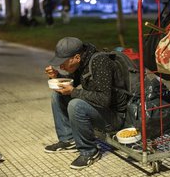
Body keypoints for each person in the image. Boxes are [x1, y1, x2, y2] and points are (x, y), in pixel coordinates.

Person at [44, 37, 127, 170]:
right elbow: (70, 83)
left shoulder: (100, 63)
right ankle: (68, 140)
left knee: (76, 105)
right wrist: (56, 76)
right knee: (57, 94)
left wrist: (74, 93)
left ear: (76, 57)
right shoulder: (82, 62)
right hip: (100, 111)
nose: (61, 66)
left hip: (115, 117)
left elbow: (104, 99)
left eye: (63, 62)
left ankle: (90, 152)